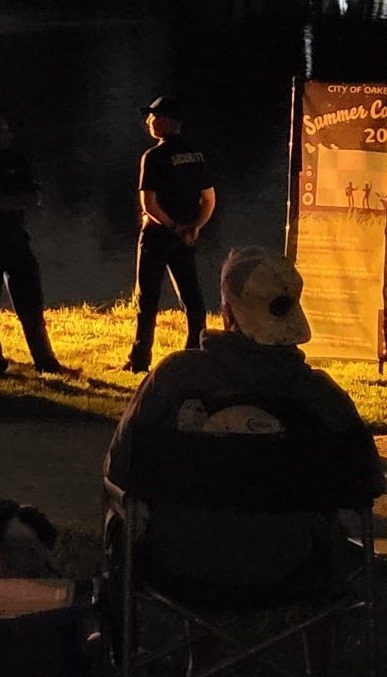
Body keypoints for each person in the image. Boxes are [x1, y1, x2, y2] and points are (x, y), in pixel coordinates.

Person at [105, 247, 384, 595]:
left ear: (226, 314)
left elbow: (121, 466)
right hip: (295, 566)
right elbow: (366, 482)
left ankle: (148, 619)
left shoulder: (174, 379)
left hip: (180, 563)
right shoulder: (321, 397)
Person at [0, 113, 65, 377]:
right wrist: (8, 202)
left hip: (14, 239)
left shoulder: (14, 160)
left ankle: (44, 360)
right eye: (1, 131)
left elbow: (32, 198)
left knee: (30, 302)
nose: (6, 136)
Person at [126, 95, 216, 373]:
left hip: (156, 236)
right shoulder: (196, 154)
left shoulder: (153, 156)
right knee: (192, 297)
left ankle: (140, 360)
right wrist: (195, 227)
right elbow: (209, 199)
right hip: (185, 237)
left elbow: (148, 204)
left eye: (154, 116)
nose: (149, 121)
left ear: (167, 121)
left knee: (148, 300)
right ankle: (196, 353)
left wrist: (172, 226)